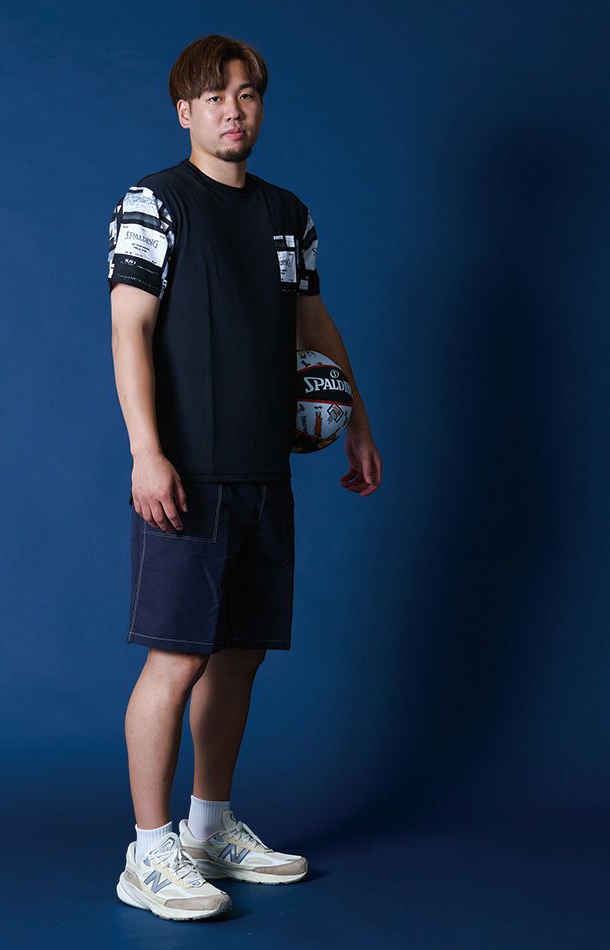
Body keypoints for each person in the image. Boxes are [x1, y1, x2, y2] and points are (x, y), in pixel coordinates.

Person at [108, 34, 382, 921]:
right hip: (187, 471)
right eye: (216, 96)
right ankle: (148, 850)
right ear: (184, 111)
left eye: (248, 94)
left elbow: (312, 321)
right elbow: (129, 328)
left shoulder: (287, 213)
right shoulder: (156, 202)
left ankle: (208, 826)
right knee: (178, 656)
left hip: (265, 468)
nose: (234, 109)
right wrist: (147, 451)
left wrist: (357, 420)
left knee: (241, 655)